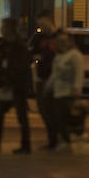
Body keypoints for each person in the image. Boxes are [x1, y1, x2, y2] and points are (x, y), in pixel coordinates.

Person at [0, 18, 33, 154]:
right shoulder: (6, 44)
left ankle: (25, 145)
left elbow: (19, 67)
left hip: (17, 86)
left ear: (9, 29)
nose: (1, 30)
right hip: (8, 85)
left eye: (3, 27)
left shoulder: (18, 46)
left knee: (21, 116)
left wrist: (8, 80)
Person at [44, 31, 84, 152]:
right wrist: (48, 87)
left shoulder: (75, 55)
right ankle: (63, 140)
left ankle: (67, 141)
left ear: (69, 42)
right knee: (57, 118)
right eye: (59, 41)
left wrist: (77, 89)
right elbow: (54, 74)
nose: (61, 44)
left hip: (68, 92)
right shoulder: (59, 56)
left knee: (63, 119)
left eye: (64, 41)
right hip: (57, 91)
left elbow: (79, 73)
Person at [31, 12, 58, 147]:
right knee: (44, 109)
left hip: (51, 78)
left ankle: (54, 139)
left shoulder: (57, 37)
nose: (40, 26)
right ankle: (52, 138)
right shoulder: (39, 37)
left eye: (42, 23)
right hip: (41, 77)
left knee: (49, 110)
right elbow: (31, 51)